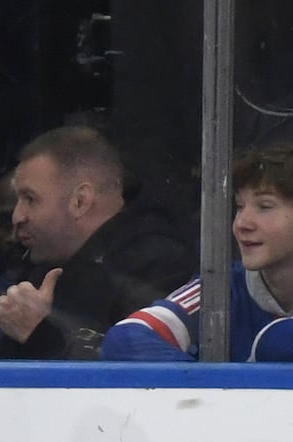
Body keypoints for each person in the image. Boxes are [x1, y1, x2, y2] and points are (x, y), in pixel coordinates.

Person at [0, 125, 194, 360]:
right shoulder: (40, 271)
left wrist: (40, 335)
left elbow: (138, 377)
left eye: (30, 199)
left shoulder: (158, 265)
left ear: (80, 201)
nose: (17, 217)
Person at [103, 143, 293, 362]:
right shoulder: (221, 291)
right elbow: (127, 338)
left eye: (265, 207)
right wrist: (213, 389)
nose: (242, 223)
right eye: (240, 206)